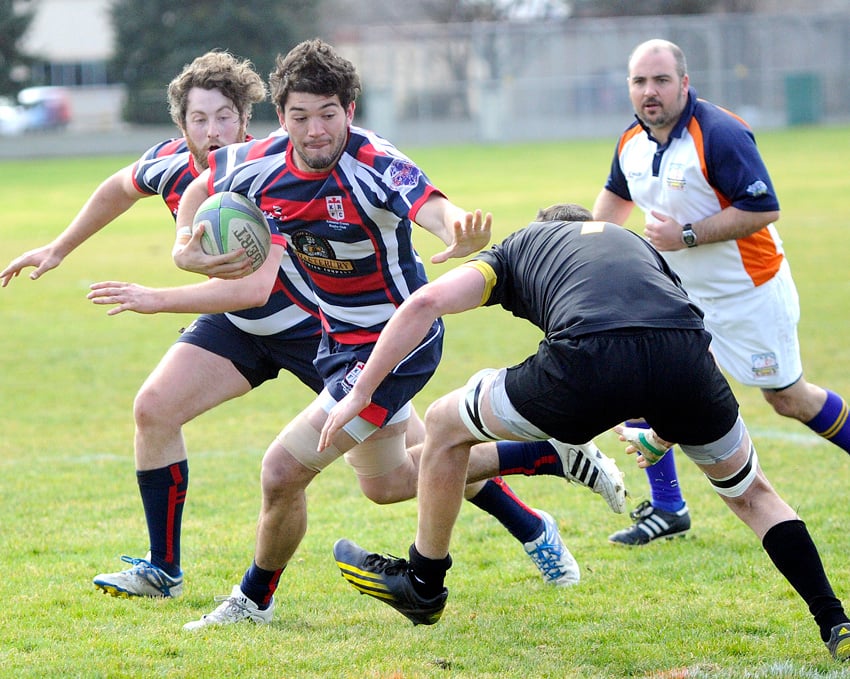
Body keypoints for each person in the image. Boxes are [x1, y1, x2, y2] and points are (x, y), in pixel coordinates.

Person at [157, 40, 626, 629]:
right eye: (300, 116)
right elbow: (202, 186)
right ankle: (545, 454)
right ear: (282, 118)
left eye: (328, 113)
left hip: (399, 343)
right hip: (337, 343)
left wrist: (459, 230)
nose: (315, 130)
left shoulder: (376, 161)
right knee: (388, 484)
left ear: (349, 110)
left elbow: (431, 204)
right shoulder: (258, 161)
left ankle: (253, 600)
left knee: (281, 471)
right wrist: (183, 245)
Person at [325, 206, 850, 661]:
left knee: (443, 423)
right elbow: (676, 333)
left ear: (544, 228)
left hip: (585, 358)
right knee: (754, 495)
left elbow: (422, 305)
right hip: (687, 359)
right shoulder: (635, 247)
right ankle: (836, 622)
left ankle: (424, 581)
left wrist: (360, 392)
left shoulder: (520, 246)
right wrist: (665, 434)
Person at [592, 38, 850, 547]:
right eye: (640, 81)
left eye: (661, 80)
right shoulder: (631, 142)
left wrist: (686, 236)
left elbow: (763, 209)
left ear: (684, 84)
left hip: (748, 292)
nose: (650, 92)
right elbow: (613, 205)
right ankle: (668, 509)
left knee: (788, 398)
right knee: (640, 370)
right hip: (682, 296)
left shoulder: (720, 134)